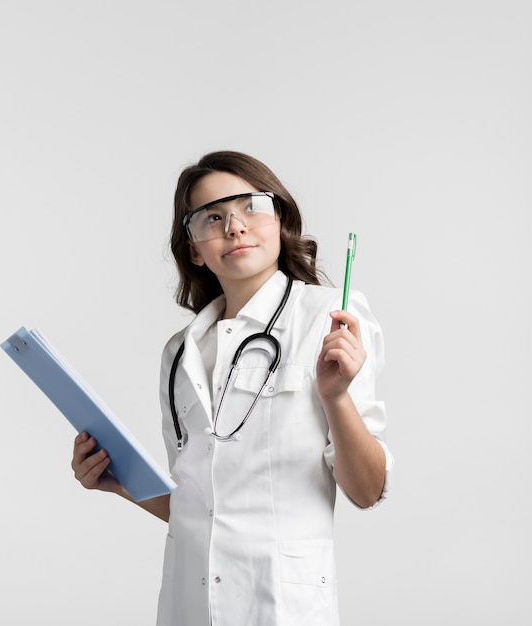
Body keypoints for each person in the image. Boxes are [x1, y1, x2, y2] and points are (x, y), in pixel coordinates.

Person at [71, 150, 393, 626]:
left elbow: (367, 490)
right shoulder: (179, 352)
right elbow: (200, 509)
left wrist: (336, 397)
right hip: (188, 606)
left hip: (281, 609)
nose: (235, 227)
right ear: (194, 248)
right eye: (212, 217)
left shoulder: (329, 318)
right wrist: (122, 486)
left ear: (279, 219)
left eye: (251, 207)